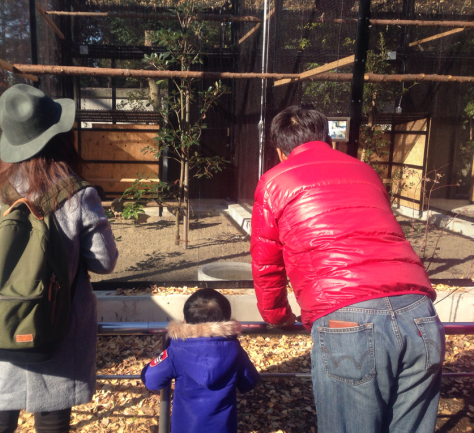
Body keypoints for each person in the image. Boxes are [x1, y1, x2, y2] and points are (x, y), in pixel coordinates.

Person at [250, 105, 445, 432]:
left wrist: (277, 315)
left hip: (346, 316)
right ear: (328, 139)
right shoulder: (364, 170)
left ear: (281, 151)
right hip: (419, 312)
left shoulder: (274, 181)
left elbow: (266, 262)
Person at [0, 84, 118, 433]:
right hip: (58, 329)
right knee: (53, 420)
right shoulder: (79, 194)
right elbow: (105, 262)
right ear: (57, 137)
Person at [141, 289, 260, 433]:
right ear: (227, 321)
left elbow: (151, 380)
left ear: (185, 322)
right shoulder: (235, 351)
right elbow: (249, 382)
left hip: (185, 428)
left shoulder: (175, 351)